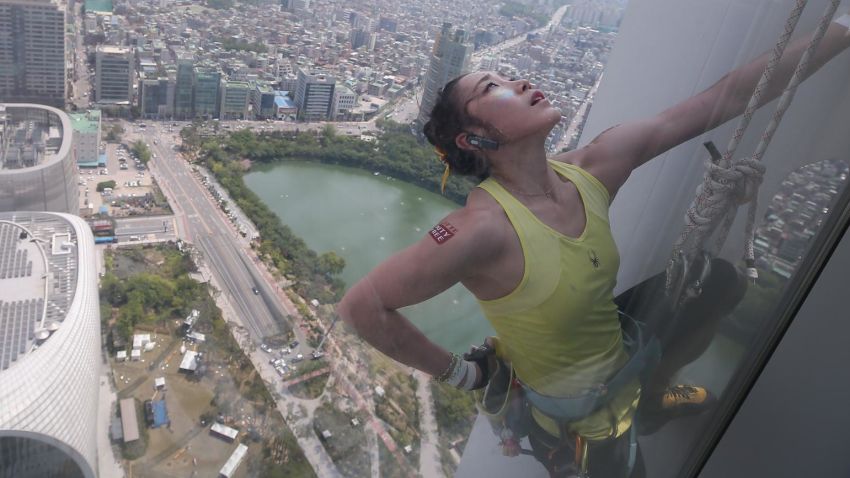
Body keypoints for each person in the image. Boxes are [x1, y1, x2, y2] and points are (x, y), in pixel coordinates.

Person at [337, 16, 850, 477]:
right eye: (493, 87)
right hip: (575, 410)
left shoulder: (593, 169)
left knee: (718, 283)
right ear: (474, 139)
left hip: (615, 346)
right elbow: (362, 306)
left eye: (509, 77)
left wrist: (843, 25)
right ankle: (634, 410)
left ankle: (650, 396)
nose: (519, 82)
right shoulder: (481, 229)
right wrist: (464, 375)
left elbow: (731, 95)